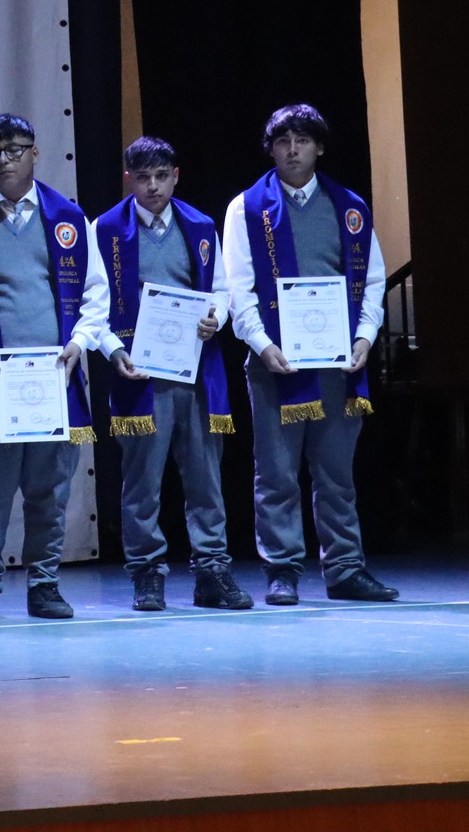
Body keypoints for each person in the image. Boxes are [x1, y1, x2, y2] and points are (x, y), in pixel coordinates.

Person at [223, 104, 397, 605]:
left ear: (319, 146)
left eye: (302, 140)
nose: (292, 150)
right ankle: (283, 570)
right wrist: (264, 345)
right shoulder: (247, 209)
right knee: (276, 473)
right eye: (282, 141)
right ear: (271, 149)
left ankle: (345, 568)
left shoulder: (350, 207)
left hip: (337, 364)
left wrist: (364, 336)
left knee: (337, 474)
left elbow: (374, 281)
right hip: (275, 364)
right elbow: (239, 288)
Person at [0, 114, 110, 621]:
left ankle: (44, 584)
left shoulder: (68, 218)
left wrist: (80, 343)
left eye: (14, 150)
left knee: (49, 490)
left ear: (35, 153)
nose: (3, 161)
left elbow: (96, 293)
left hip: (53, 379)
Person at [90, 138, 251, 612]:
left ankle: (212, 570)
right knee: (142, 481)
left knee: (205, 479)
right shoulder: (106, 230)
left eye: (161, 175)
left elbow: (221, 290)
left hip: (196, 373)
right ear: (129, 179)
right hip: (140, 375)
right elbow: (93, 305)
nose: (153, 186)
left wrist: (214, 319)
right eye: (143, 177)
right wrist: (113, 349)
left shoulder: (199, 226)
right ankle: (147, 572)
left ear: (176, 175)